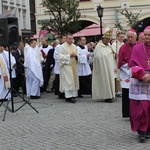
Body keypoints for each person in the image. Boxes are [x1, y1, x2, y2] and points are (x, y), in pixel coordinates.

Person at [128, 26, 150, 143]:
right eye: (145, 35)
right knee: (142, 107)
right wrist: (142, 75)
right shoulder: (137, 48)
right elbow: (132, 65)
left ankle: (148, 129)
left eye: (149, 35)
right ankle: (142, 130)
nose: (147, 37)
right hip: (140, 82)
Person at [118, 28, 140, 118]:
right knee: (127, 93)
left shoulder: (140, 46)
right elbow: (121, 61)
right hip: (126, 72)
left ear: (136, 37)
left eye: (132, 37)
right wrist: (130, 69)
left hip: (138, 72)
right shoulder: (123, 47)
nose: (130, 39)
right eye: (128, 37)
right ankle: (127, 113)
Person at [92, 27, 115, 103]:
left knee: (110, 80)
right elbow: (98, 57)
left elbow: (111, 55)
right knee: (105, 81)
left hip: (109, 66)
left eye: (109, 39)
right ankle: (107, 96)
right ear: (103, 38)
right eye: (107, 39)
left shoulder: (109, 46)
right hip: (103, 67)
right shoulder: (98, 47)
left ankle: (111, 94)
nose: (108, 41)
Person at [58, 34, 80, 103]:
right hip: (67, 66)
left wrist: (76, 55)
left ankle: (73, 95)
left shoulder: (74, 46)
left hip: (73, 65)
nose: (71, 40)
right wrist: (69, 56)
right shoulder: (62, 47)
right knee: (68, 81)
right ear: (66, 39)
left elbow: (78, 55)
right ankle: (68, 97)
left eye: (72, 39)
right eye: (69, 39)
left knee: (74, 80)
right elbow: (60, 57)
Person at [112, 30, 125, 96]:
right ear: (117, 37)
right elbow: (114, 53)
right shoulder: (114, 44)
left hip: (123, 62)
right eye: (120, 37)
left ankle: (123, 90)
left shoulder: (123, 44)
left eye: (123, 37)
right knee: (118, 76)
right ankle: (118, 91)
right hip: (117, 62)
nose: (122, 38)